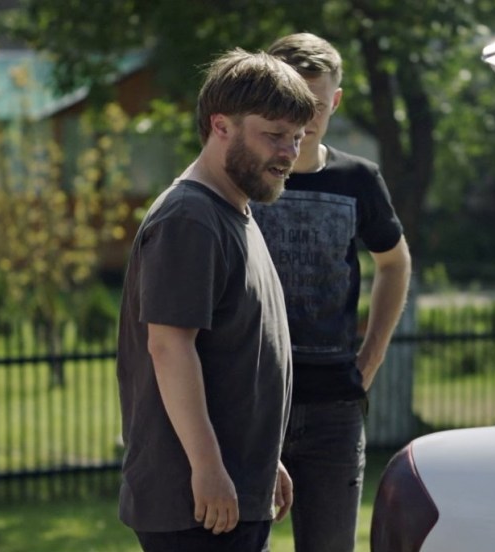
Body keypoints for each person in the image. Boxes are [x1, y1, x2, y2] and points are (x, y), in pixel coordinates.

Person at [115, 48, 318, 552]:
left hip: (233, 488)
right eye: (273, 135)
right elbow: (170, 348)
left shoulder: (235, 211)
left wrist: (263, 460)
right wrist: (207, 467)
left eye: (297, 137)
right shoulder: (190, 218)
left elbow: (233, 353)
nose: (289, 152)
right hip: (196, 503)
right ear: (220, 125)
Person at [252, 32, 413, 552]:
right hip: (248, 398)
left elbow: (395, 263)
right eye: (292, 101)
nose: (305, 116)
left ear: (335, 102)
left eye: (316, 104)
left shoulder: (357, 180)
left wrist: (370, 360)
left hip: (333, 407)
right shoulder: (245, 178)